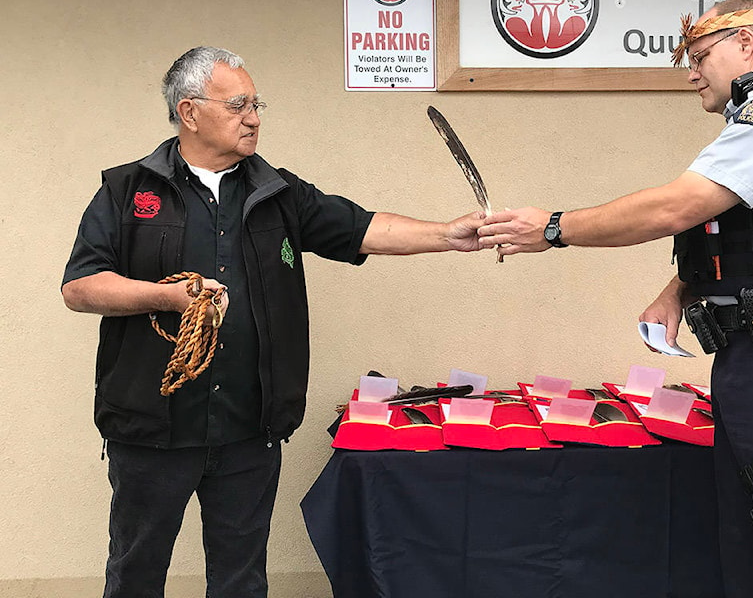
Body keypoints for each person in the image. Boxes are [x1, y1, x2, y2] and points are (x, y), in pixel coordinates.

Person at [478, 0, 753, 598]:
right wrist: (678, 290)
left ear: (746, 43)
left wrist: (553, 228)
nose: (691, 72)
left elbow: (677, 206)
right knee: (752, 535)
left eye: (699, 54)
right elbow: (744, 231)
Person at [61, 46, 484, 598]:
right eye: (238, 105)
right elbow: (80, 286)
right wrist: (171, 299)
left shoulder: (278, 193)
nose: (254, 117)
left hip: (248, 429)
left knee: (241, 579)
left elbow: (364, 229)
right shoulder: (126, 192)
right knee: (136, 574)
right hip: (150, 429)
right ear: (190, 112)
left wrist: (447, 235)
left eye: (256, 104)